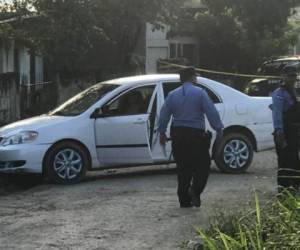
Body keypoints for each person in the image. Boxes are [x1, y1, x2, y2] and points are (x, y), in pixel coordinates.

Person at [158, 67, 224, 208]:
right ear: (192, 77)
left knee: (183, 169)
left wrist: (162, 132)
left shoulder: (172, 95)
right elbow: (211, 112)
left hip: (178, 136)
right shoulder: (200, 93)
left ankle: (184, 202)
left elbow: (163, 115)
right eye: (195, 76)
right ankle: (194, 190)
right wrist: (218, 128)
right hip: (195, 137)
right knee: (203, 166)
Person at [271, 65, 300, 192]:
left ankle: (295, 187)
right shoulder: (279, 94)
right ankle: (283, 190)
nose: (292, 78)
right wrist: (279, 131)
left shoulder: (296, 92)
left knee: (295, 161)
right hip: (285, 132)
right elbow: (277, 114)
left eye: (294, 75)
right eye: (289, 75)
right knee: (284, 162)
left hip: (295, 131)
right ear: (283, 77)